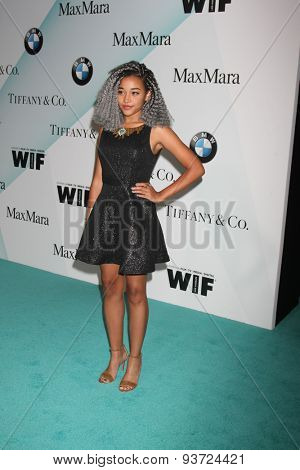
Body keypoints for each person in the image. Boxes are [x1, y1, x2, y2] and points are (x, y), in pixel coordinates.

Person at [75, 60, 205, 392]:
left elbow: (195, 168)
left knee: (135, 291)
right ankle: (115, 354)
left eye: (135, 92)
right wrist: (90, 218)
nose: (126, 99)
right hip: (105, 214)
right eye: (121, 92)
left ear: (148, 96)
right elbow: (97, 178)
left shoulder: (156, 130)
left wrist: (160, 194)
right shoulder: (106, 129)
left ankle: (135, 359)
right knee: (110, 287)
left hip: (135, 217)